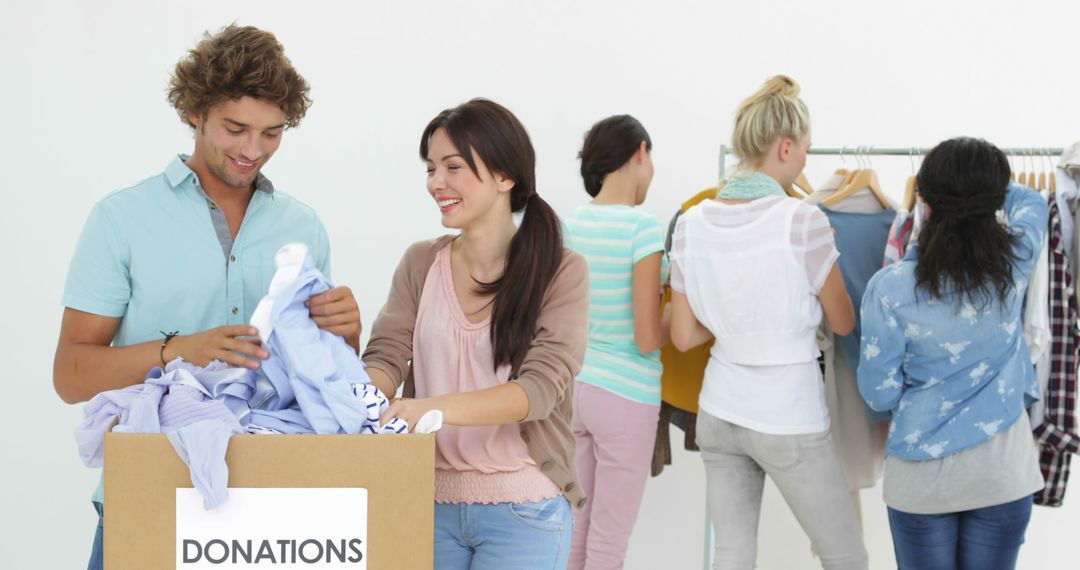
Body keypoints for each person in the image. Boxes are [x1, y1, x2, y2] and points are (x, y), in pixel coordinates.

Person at [53, 25, 362, 570]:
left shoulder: (303, 225)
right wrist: (176, 350)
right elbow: (71, 375)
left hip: (276, 511)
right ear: (195, 112)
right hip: (149, 496)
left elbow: (323, 379)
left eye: (272, 133)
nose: (253, 150)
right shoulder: (120, 220)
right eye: (236, 128)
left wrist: (346, 330)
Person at [362, 98, 589, 569]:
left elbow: (540, 391)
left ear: (505, 177)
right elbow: (386, 356)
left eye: (453, 167)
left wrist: (429, 409)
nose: (435, 183)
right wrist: (360, 396)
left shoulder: (561, 270)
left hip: (524, 511)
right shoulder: (421, 263)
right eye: (430, 168)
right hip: (427, 503)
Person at [668, 75, 868, 569]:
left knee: (732, 555)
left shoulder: (693, 224)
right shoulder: (802, 221)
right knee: (845, 555)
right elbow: (842, 322)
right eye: (804, 150)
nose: (805, 161)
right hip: (788, 414)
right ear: (784, 147)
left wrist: (735, 314)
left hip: (719, 410)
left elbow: (684, 334)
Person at [858, 137, 1047, 570]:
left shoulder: (889, 289)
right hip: (1002, 472)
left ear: (923, 201)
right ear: (995, 200)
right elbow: (1033, 202)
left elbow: (879, 395)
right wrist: (987, 188)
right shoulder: (1016, 261)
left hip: (922, 480)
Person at [562, 115, 668, 570]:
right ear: (640, 152)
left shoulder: (569, 227)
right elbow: (646, 338)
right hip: (626, 396)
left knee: (574, 533)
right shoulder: (642, 228)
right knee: (609, 543)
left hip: (574, 392)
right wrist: (677, 313)